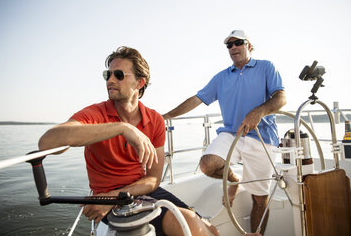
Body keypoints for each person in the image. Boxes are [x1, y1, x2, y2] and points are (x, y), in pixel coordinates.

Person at [38, 46, 219, 236]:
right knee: (187, 223)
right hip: (108, 198)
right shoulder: (95, 114)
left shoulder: (155, 120)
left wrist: (112, 198)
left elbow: (154, 179)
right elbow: (47, 143)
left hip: (134, 192)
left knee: (209, 229)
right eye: (107, 75)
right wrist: (122, 128)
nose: (110, 80)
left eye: (118, 75)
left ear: (140, 83)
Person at [162, 30, 286, 235]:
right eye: (229, 45)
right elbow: (197, 99)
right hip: (231, 134)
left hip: (262, 138)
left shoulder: (266, 67)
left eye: (238, 43)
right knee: (207, 165)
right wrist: (166, 116)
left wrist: (258, 112)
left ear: (249, 45)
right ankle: (234, 180)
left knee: (260, 198)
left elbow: (281, 97)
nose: (233, 47)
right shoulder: (221, 77)